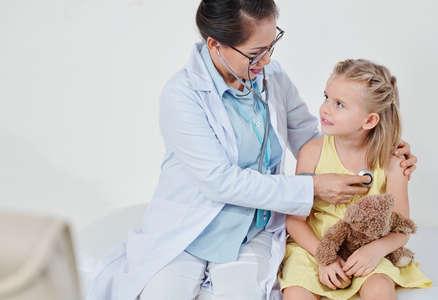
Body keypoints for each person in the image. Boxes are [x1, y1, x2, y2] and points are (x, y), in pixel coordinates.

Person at [86, 1, 417, 300]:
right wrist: (311, 186)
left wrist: (373, 146)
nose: (268, 60)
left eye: (272, 44)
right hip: (190, 230)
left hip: (252, 229)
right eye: (255, 52)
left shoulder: (271, 75)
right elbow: (219, 181)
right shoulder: (182, 95)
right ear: (215, 45)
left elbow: (307, 134)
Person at [279, 59, 432, 300]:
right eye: (326, 97)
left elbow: (402, 228)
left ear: (370, 121)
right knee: (296, 294)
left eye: (339, 104)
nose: (325, 109)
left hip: (366, 249)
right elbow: (295, 220)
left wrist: (374, 251)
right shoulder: (312, 152)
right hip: (314, 248)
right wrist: (324, 258)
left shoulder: (392, 162)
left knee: (380, 289)